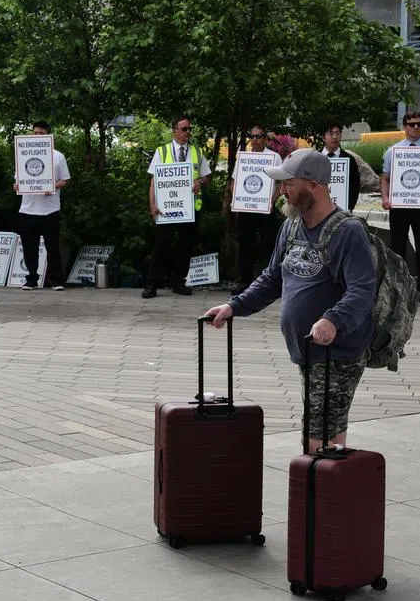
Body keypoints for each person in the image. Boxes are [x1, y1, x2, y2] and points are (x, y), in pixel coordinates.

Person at [206, 149, 376, 452]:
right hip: (309, 351)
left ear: (314, 185)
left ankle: (316, 492)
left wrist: (332, 319)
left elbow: (363, 289)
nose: (281, 190)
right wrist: (234, 306)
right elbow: (273, 278)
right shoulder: (292, 225)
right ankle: (331, 491)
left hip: (337, 352)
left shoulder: (348, 231)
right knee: (328, 432)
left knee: (317, 435)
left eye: (288, 183)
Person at [380, 111, 420, 304]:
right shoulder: (393, 151)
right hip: (399, 205)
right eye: (411, 124)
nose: (415, 128)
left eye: (418, 124)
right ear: (404, 127)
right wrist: (385, 198)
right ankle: (398, 290)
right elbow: (385, 179)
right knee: (397, 248)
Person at [143, 116, 211, 299]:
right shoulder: (162, 151)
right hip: (167, 208)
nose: (188, 132)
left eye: (190, 129)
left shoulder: (197, 151)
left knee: (186, 246)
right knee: (161, 245)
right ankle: (152, 284)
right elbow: (153, 182)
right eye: (184, 129)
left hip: (190, 208)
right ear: (174, 131)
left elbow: (206, 177)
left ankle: (178, 282)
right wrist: (153, 205)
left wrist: (199, 181)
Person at [222, 124, 281, 291]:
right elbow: (234, 183)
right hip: (246, 209)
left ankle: (272, 281)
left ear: (265, 139)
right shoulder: (243, 157)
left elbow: (282, 184)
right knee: (244, 243)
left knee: (269, 244)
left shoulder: (274, 157)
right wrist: (237, 200)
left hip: (265, 209)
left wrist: (271, 201)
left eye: (258, 136)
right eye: (252, 136)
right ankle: (244, 281)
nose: (254, 140)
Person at [16, 121, 71, 291]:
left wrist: (52, 186)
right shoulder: (23, 154)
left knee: (52, 247)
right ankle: (31, 279)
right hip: (28, 209)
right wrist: (17, 186)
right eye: (35, 133)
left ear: (48, 135)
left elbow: (66, 180)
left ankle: (56, 280)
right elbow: (17, 180)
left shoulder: (58, 156)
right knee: (29, 247)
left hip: (50, 209)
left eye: (41, 133)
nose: (38, 136)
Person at [322, 123, 361, 213]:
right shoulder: (316, 159)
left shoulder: (349, 159)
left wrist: (349, 207)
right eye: (331, 134)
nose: (335, 137)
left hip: (343, 211)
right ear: (323, 137)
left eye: (337, 133)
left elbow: (355, 185)